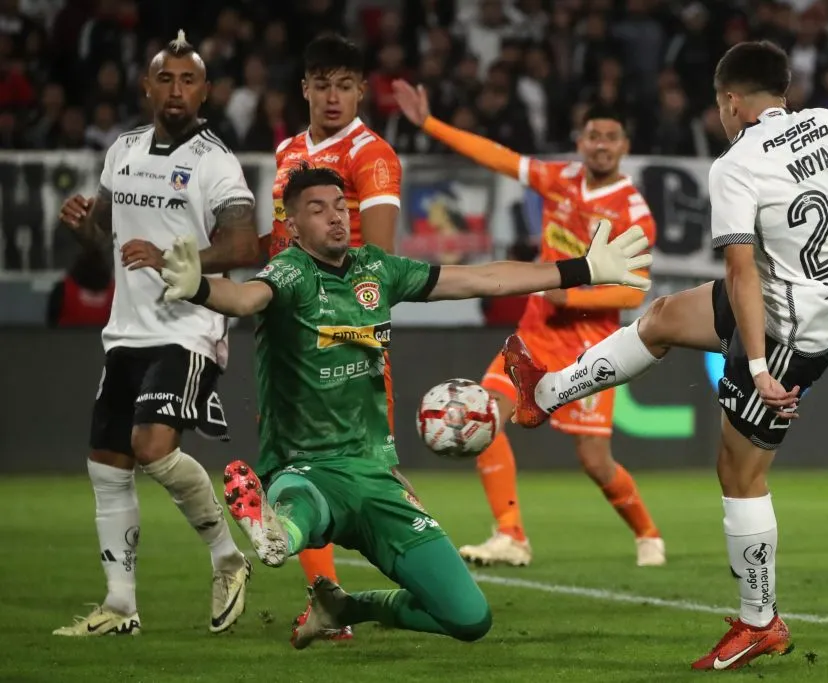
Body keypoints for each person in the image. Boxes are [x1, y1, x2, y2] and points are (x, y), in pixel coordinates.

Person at [500, 41, 828, 669]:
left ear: (730, 101)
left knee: (739, 474)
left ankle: (761, 621)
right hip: (810, 296)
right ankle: (546, 394)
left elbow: (741, 274)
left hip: (788, 331)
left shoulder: (736, 164)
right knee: (664, 317)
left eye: (719, 106)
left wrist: (756, 367)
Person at [155, 165, 652, 648]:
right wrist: (199, 287)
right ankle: (276, 533)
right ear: (292, 226)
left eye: (339, 206)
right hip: (306, 467)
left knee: (470, 618)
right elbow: (243, 298)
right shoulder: (290, 274)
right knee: (302, 508)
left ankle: (344, 608)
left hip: (377, 476)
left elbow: (484, 278)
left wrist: (582, 269)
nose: (334, 217)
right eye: (316, 209)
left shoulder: (379, 270)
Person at [393, 80, 665, 568]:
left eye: (611, 137)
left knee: (594, 461)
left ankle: (647, 532)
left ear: (624, 146)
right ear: (580, 142)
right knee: (485, 415)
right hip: (535, 333)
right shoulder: (558, 178)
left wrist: (575, 292)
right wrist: (429, 124)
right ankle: (511, 534)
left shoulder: (635, 212)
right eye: (593, 135)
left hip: (591, 343)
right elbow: (498, 157)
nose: (601, 144)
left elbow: (635, 290)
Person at [53, 31, 261, 637]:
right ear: (147, 86)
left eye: (188, 80)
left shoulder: (215, 160)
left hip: (189, 327)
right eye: (165, 79)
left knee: (150, 446)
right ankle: (120, 607)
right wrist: (83, 230)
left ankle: (227, 558)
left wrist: (178, 259)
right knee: (107, 465)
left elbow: (243, 245)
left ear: (206, 91)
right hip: (126, 332)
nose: (176, 90)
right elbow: (107, 248)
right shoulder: (121, 151)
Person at [266, 33, 410, 633]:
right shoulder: (285, 152)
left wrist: (337, 325)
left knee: (367, 472)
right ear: (304, 88)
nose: (333, 96)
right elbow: (278, 244)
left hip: (342, 341)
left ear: (360, 90)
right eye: (322, 84)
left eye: (345, 85)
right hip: (285, 338)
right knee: (295, 469)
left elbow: (376, 260)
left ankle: (419, 577)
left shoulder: (372, 155)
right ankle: (329, 600)